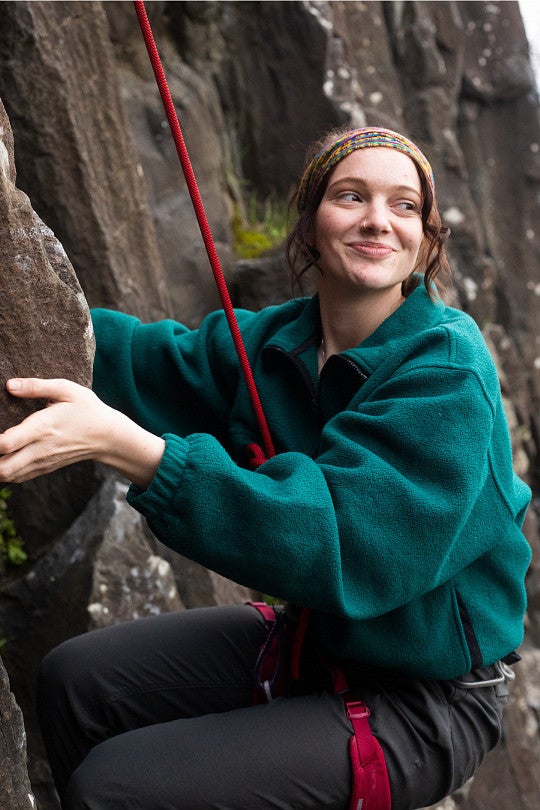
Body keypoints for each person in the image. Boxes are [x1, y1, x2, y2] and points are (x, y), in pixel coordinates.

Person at [0, 126, 532, 810]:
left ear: (427, 242)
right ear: (309, 223)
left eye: (405, 206)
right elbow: (138, 360)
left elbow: (343, 540)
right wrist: (25, 305)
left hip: (427, 700)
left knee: (118, 788)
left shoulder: (447, 373)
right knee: (76, 680)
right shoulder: (279, 342)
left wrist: (130, 449)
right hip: (320, 645)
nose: (378, 219)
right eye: (351, 195)